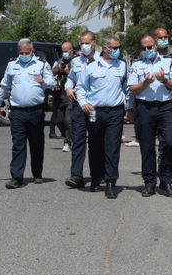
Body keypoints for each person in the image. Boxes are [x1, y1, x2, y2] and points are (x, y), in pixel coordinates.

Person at [74, 35, 130, 198]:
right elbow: (81, 87)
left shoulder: (122, 66)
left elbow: (127, 88)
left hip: (115, 111)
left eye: (118, 47)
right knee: (95, 144)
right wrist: (83, 103)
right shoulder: (90, 66)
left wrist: (126, 107)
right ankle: (96, 177)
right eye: (113, 48)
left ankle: (111, 181)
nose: (116, 51)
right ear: (105, 48)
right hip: (93, 111)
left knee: (112, 146)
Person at [0, 37, 55, 188]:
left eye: (27, 52)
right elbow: (4, 86)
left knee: (36, 144)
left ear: (32, 51)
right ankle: (16, 177)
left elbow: (52, 82)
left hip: (36, 111)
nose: (24, 55)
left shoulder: (41, 65)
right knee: (18, 145)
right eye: (21, 52)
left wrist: (43, 81)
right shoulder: (12, 65)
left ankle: (37, 173)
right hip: (17, 112)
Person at [129, 32, 172, 197]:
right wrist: (146, 83)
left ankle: (166, 181)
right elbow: (132, 89)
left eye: (149, 47)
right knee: (147, 146)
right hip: (145, 108)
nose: (147, 50)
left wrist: (164, 80)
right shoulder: (136, 65)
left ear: (156, 46)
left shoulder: (168, 62)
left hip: (165, 107)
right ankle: (149, 182)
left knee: (169, 143)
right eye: (143, 48)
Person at [64, 31, 97, 189]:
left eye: (87, 42)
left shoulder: (101, 61)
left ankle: (98, 174)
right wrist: (68, 88)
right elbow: (71, 79)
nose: (84, 46)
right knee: (78, 141)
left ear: (94, 43)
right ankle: (76, 175)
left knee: (96, 142)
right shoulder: (76, 61)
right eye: (82, 43)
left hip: (95, 106)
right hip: (78, 105)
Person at [50, 41, 74, 143]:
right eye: (62, 51)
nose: (64, 53)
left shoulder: (76, 61)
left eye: (66, 51)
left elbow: (77, 77)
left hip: (70, 94)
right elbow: (52, 72)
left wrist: (67, 71)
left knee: (68, 121)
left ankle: (68, 141)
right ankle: (67, 137)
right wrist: (58, 68)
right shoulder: (60, 61)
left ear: (71, 51)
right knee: (59, 121)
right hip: (59, 94)